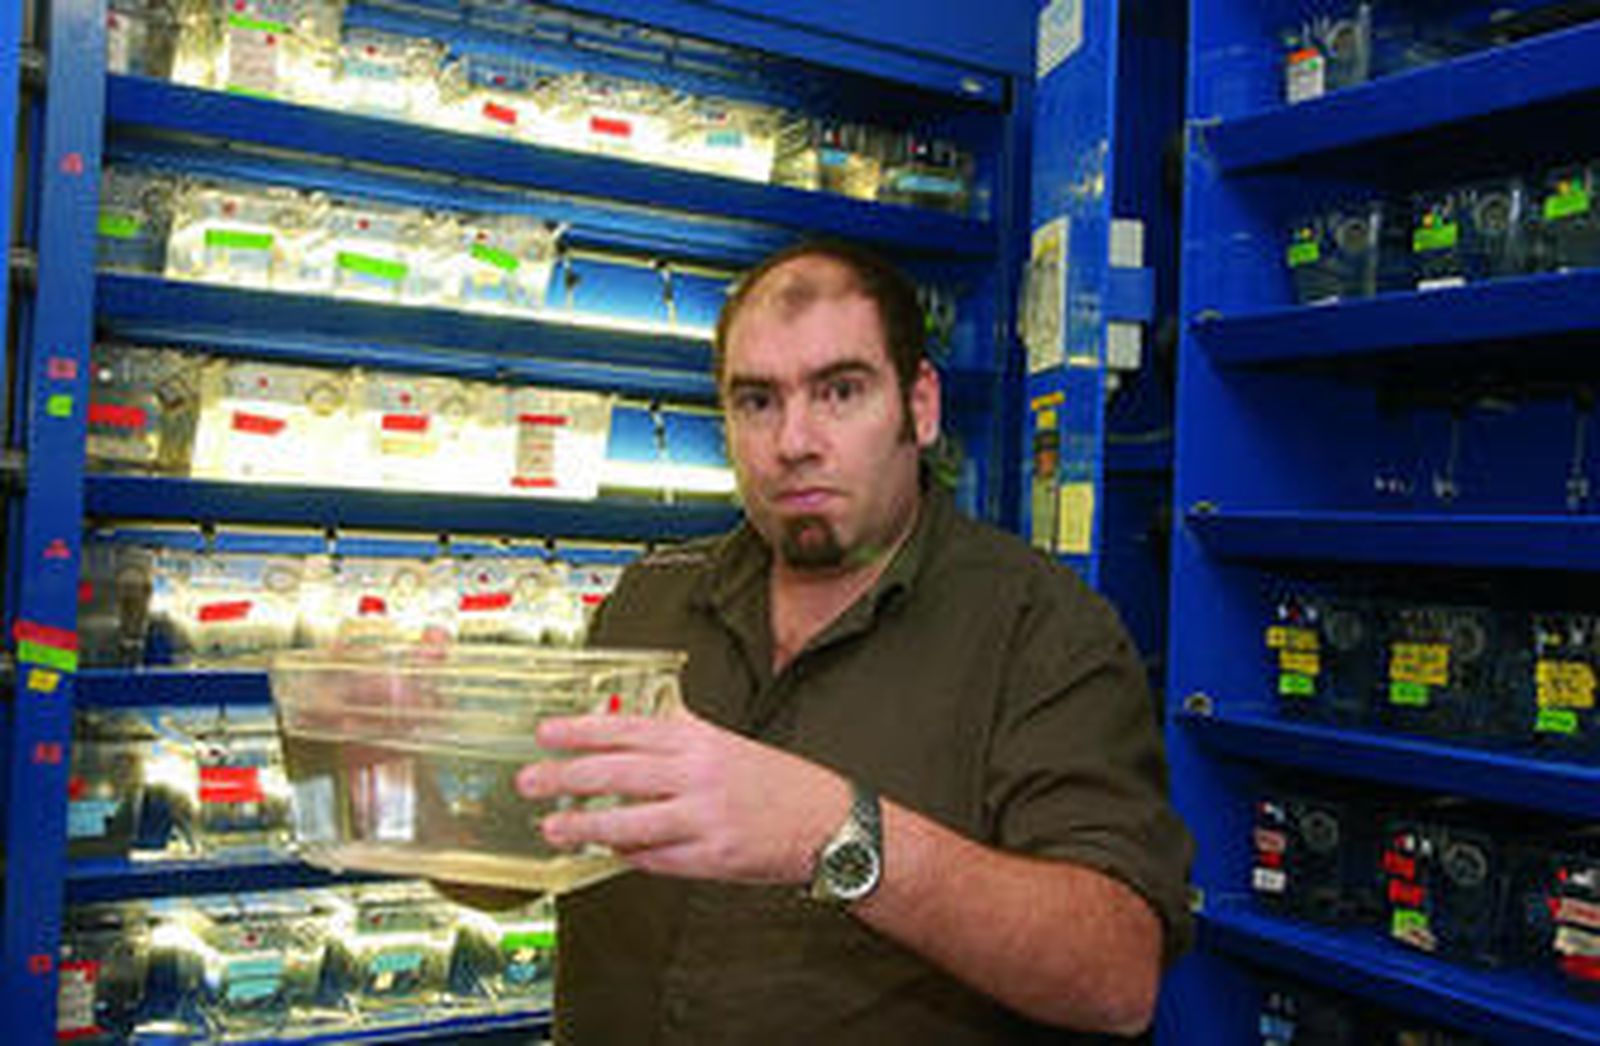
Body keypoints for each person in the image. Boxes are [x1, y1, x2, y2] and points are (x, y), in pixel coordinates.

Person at [515, 239, 1193, 1043]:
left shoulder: (1041, 631)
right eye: (757, 401)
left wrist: (836, 832)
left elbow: (1114, 975)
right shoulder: (648, 603)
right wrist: (418, 761)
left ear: (921, 406)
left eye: (840, 391)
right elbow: (527, 846)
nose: (794, 440)